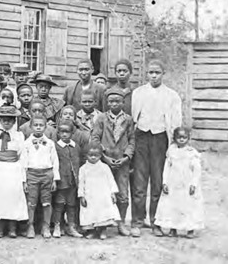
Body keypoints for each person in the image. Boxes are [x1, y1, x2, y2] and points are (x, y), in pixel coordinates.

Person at [130, 59, 182, 237]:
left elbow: (176, 122)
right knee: (139, 181)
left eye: (157, 73)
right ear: (147, 74)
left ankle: (156, 221)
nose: (154, 76)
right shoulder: (138, 93)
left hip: (160, 139)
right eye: (151, 72)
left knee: (158, 182)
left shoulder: (171, 95)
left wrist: (174, 144)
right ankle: (137, 220)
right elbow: (132, 118)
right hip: (141, 137)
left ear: (163, 74)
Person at [92, 89, 135, 237]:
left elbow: (132, 140)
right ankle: (102, 223)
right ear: (107, 103)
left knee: (122, 193)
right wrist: (103, 156)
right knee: (103, 192)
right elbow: (95, 138)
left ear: (123, 102)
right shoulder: (101, 118)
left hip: (122, 161)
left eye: (117, 101)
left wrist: (127, 157)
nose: (114, 104)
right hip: (105, 161)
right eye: (111, 101)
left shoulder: (128, 119)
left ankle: (121, 222)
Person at [0, 105, 28, 238]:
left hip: (13, 169)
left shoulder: (19, 136)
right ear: (0, 120)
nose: (7, 122)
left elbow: (23, 156)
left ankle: (12, 227)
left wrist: (23, 177)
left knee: (13, 198)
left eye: (10, 120)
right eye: (4, 120)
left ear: (14, 121)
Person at [154, 127, 203, 238]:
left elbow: (197, 170)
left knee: (188, 205)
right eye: (179, 137)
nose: (181, 140)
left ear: (188, 138)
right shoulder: (171, 151)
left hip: (186, 183)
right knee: (173, 205)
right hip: (173, 183)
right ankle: (173, 228)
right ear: (174, 138)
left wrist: (194, 184)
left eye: (184, 138)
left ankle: (190, 229)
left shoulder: (192, 153)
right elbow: (167, 167)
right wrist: (165, 182)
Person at [20, 115, 59, 239]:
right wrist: (24, 180)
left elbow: (55, 161)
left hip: (47, 174)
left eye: (41, 125)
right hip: (32, 174)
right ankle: (30, 226)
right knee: (31, 202)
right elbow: (23, 162)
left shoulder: (50, 143)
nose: (38, 127)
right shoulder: (26, 144)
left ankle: (45, 226)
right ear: (31, 127)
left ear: (45, 127)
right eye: (35, 125)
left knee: (46, 202)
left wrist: (54, 179)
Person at [78, 144, 120, 240]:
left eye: (96, 155)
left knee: (103, 213)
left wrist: (112, 192)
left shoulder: (105, 167)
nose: (93, 157)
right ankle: (92, 231)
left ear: (100, 155)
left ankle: (103, 230)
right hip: (90, 195)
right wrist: (81, 196)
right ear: (86, 155)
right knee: (90, 213)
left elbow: (111, 180)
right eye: (90, 155)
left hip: (103, 195)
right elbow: (81, 183)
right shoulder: (83, 169)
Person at [53, 120, 84, 238]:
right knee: (59, 203)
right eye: (62, 132)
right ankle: (57, 225)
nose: (64, 134)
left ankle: (71, 226)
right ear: (58, 133)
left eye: (67, 132)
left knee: (71, 204)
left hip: (73, 181)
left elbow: (79, 162)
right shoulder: (56, 146)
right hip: (61, 181)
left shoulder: (76, 146)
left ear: (72, 133)